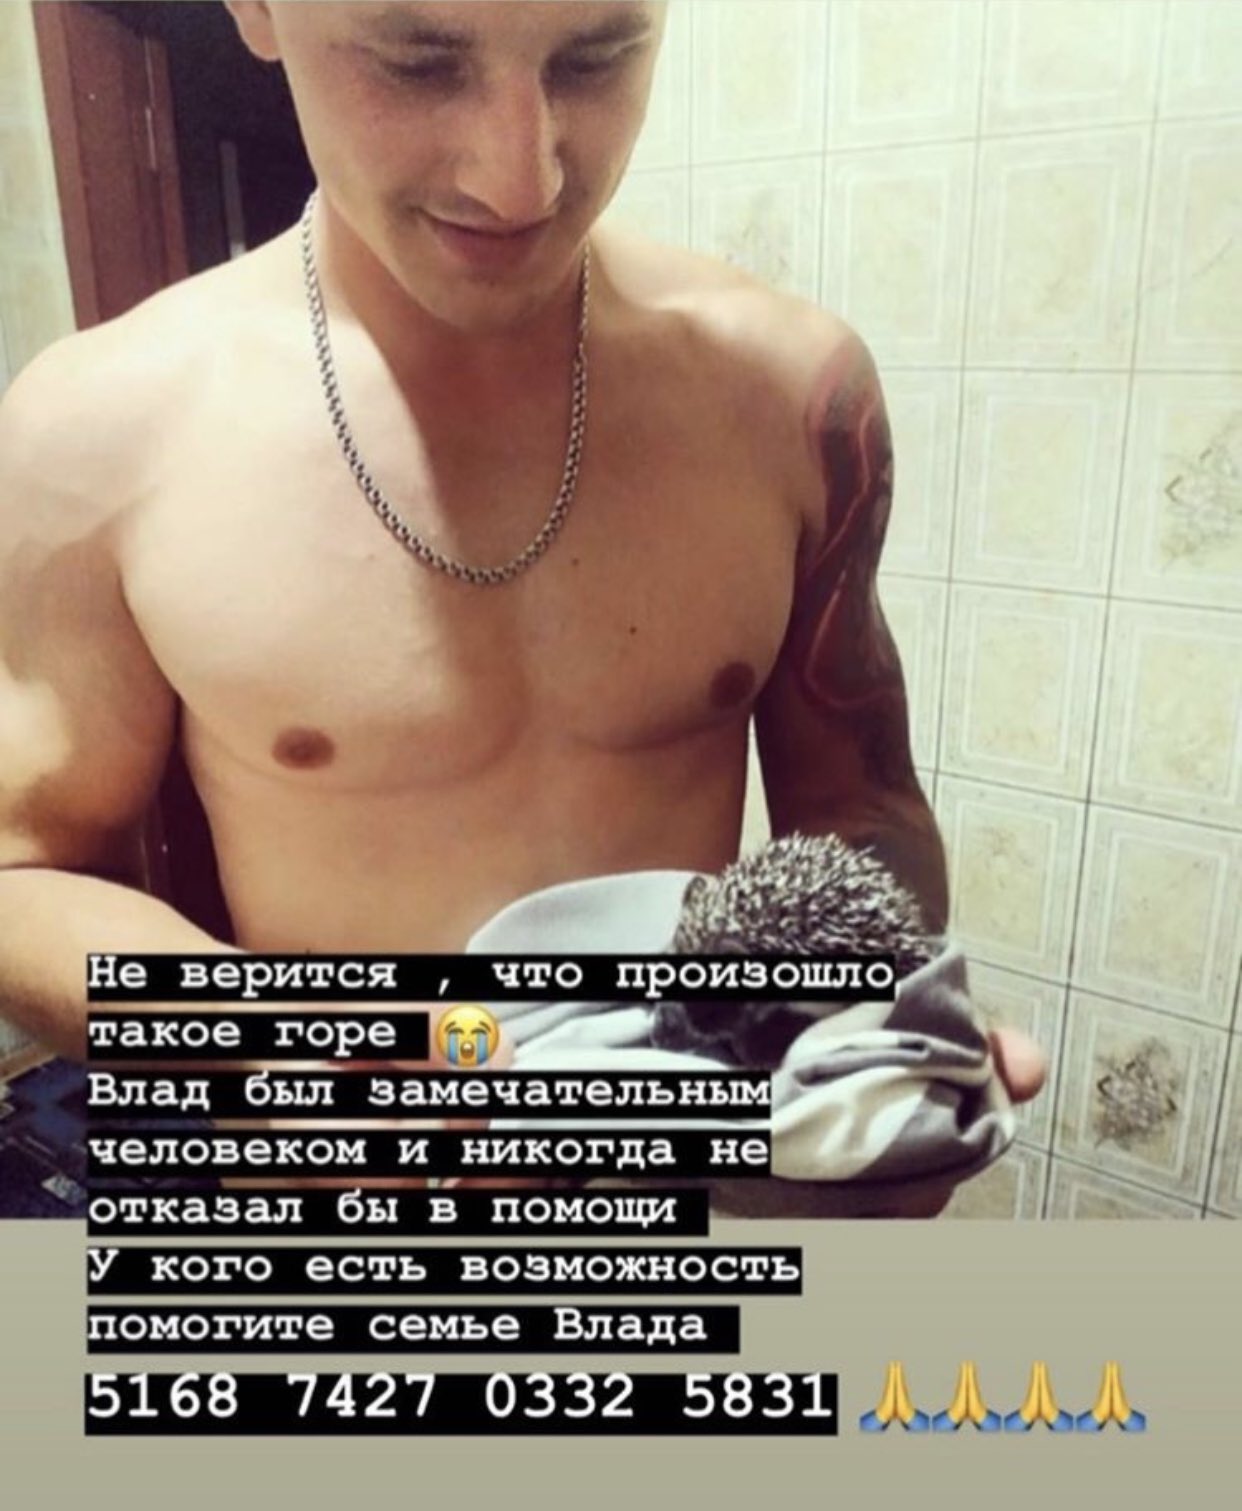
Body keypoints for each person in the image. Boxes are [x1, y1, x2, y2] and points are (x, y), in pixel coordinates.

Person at [0, 1, 1044, 1210]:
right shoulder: (94, 429)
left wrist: (853, 1044)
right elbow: (21, 870)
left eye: (599, 57)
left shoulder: (792, 393)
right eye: (416, 62)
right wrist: (274, 1043)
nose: (521, 178)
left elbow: (863, 798)